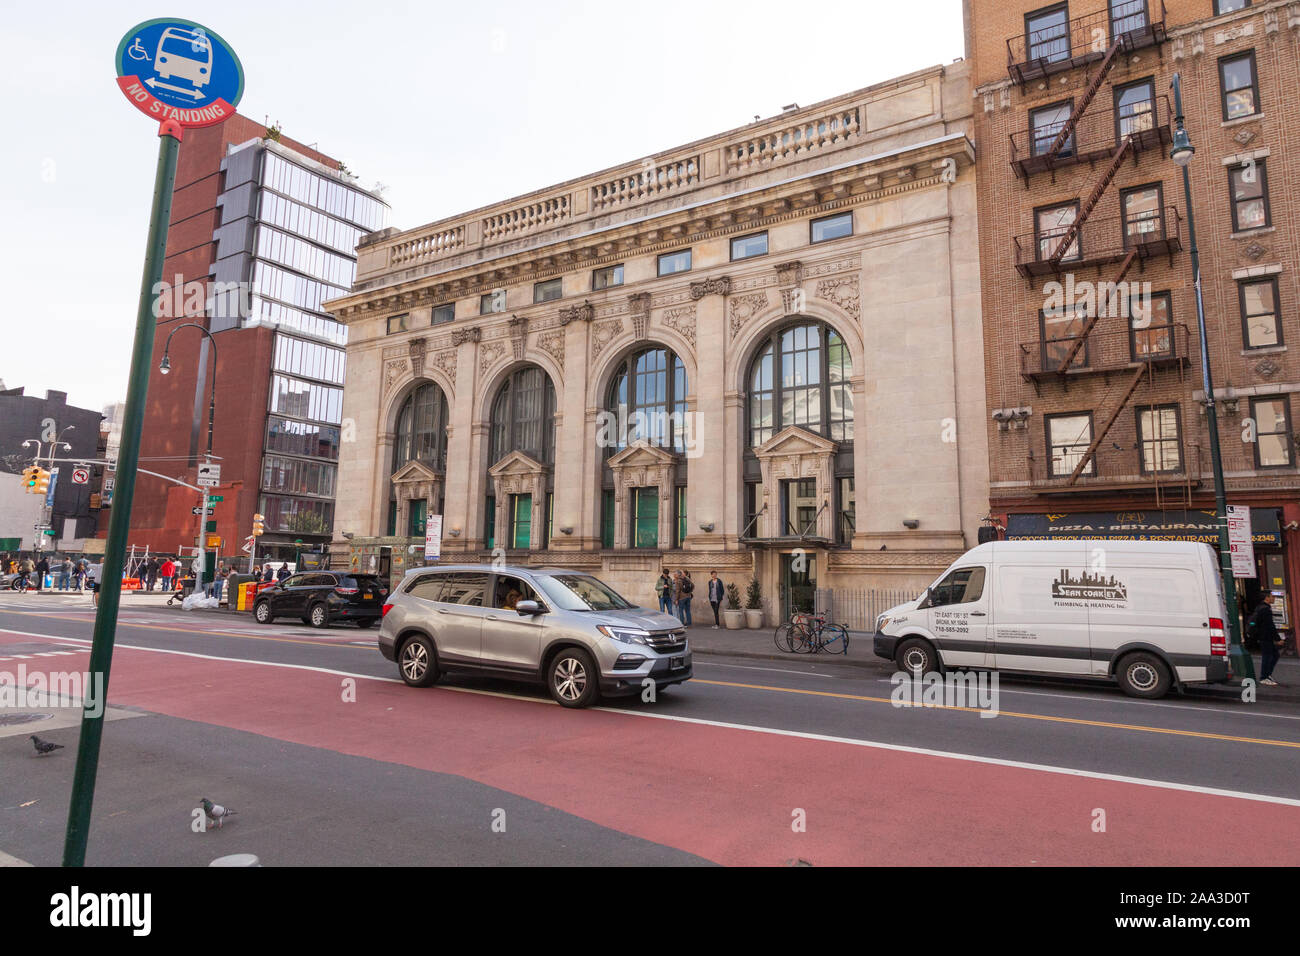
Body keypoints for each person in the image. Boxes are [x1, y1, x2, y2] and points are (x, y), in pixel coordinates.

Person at [1249, 592, 1285, 687]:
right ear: (1267, 598)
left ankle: (1267, 675)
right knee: (1268, 656)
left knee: (1274, 655)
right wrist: (1278, 639)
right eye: (1272, 596)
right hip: (1266, 637)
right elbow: (1269, 625)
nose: (1274, 598)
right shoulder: (1265, 609)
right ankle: (1264, 677)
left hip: (1263, 636)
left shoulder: (1260, 607)